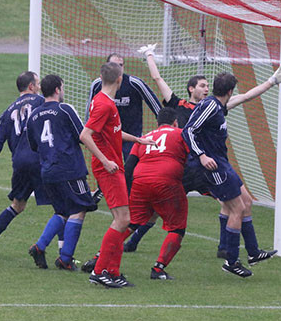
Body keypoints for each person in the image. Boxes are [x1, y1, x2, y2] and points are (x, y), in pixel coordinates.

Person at [182, 65, 281, 277]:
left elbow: (247, 96)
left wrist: (273, 80)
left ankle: (253, 252)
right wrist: (202, 156)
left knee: (247, 202)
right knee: (237, 209)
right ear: (230, 91)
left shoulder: (218, 105)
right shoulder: (210, 107)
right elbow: (189, 130)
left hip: (223, 164)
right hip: (214, 167)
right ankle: (231, 261)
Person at [123, 43, 211, 253]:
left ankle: (227, 249)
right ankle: (134, 243)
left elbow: (234, 100)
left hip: (197, 165)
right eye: (202, 85)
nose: (206, 89)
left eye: (208, 86)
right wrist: (150, 55)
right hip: (180, 168)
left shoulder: (211, 109)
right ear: (191, 89)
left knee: (230, 200)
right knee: (155, 210)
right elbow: (158, 79)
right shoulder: (178, 104)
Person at [79, 62, 155, 288]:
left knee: (123, 219)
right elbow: (85, 135)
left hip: (113, 165)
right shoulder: (104, 105)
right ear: (120, 80)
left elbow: (112, 131)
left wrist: (138, 140)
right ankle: (100, 271)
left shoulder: (103, 102)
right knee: (122, 219)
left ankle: (112, 271)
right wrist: (105, 160)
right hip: (108, 168)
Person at [0, 71, 52, 257]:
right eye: (38, 84)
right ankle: (65, 255)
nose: (40, 87)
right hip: (40, 160)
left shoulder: (8, 111)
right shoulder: (42, 103)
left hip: (20, 163)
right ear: (32, 87)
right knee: (62, 207)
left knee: (18, 205)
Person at [26, 75, 97, 271]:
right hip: (70, 169)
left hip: (48, 171)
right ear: (57, 90)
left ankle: (40, 247)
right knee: (79, 210)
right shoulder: (65, 109)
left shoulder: (33, 115)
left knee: (62, 212)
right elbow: (82, 135)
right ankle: (65, 259)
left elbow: (33, 145)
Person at [85, 53, 162, 202]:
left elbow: (154, 103)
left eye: (121, 65)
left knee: (132, 169)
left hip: (130, 134)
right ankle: (104, 191)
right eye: (114, 65)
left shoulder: (134, 83)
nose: (118, 68)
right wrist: (90, 132)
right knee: (106, 166)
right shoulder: (98, 89)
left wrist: (164, 124)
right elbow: (89, 112)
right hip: (107, 136)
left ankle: (133, 197)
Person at [124, 107, 190, 280]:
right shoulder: (181, 133)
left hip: (140, 181)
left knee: (130, 223)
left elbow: (129, 166)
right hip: (166, 180)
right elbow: (194, 158)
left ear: (158, 123)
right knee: (177, 227)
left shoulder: (145, 137)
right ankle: (159, 268)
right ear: (175, 122)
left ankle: (100, 257)